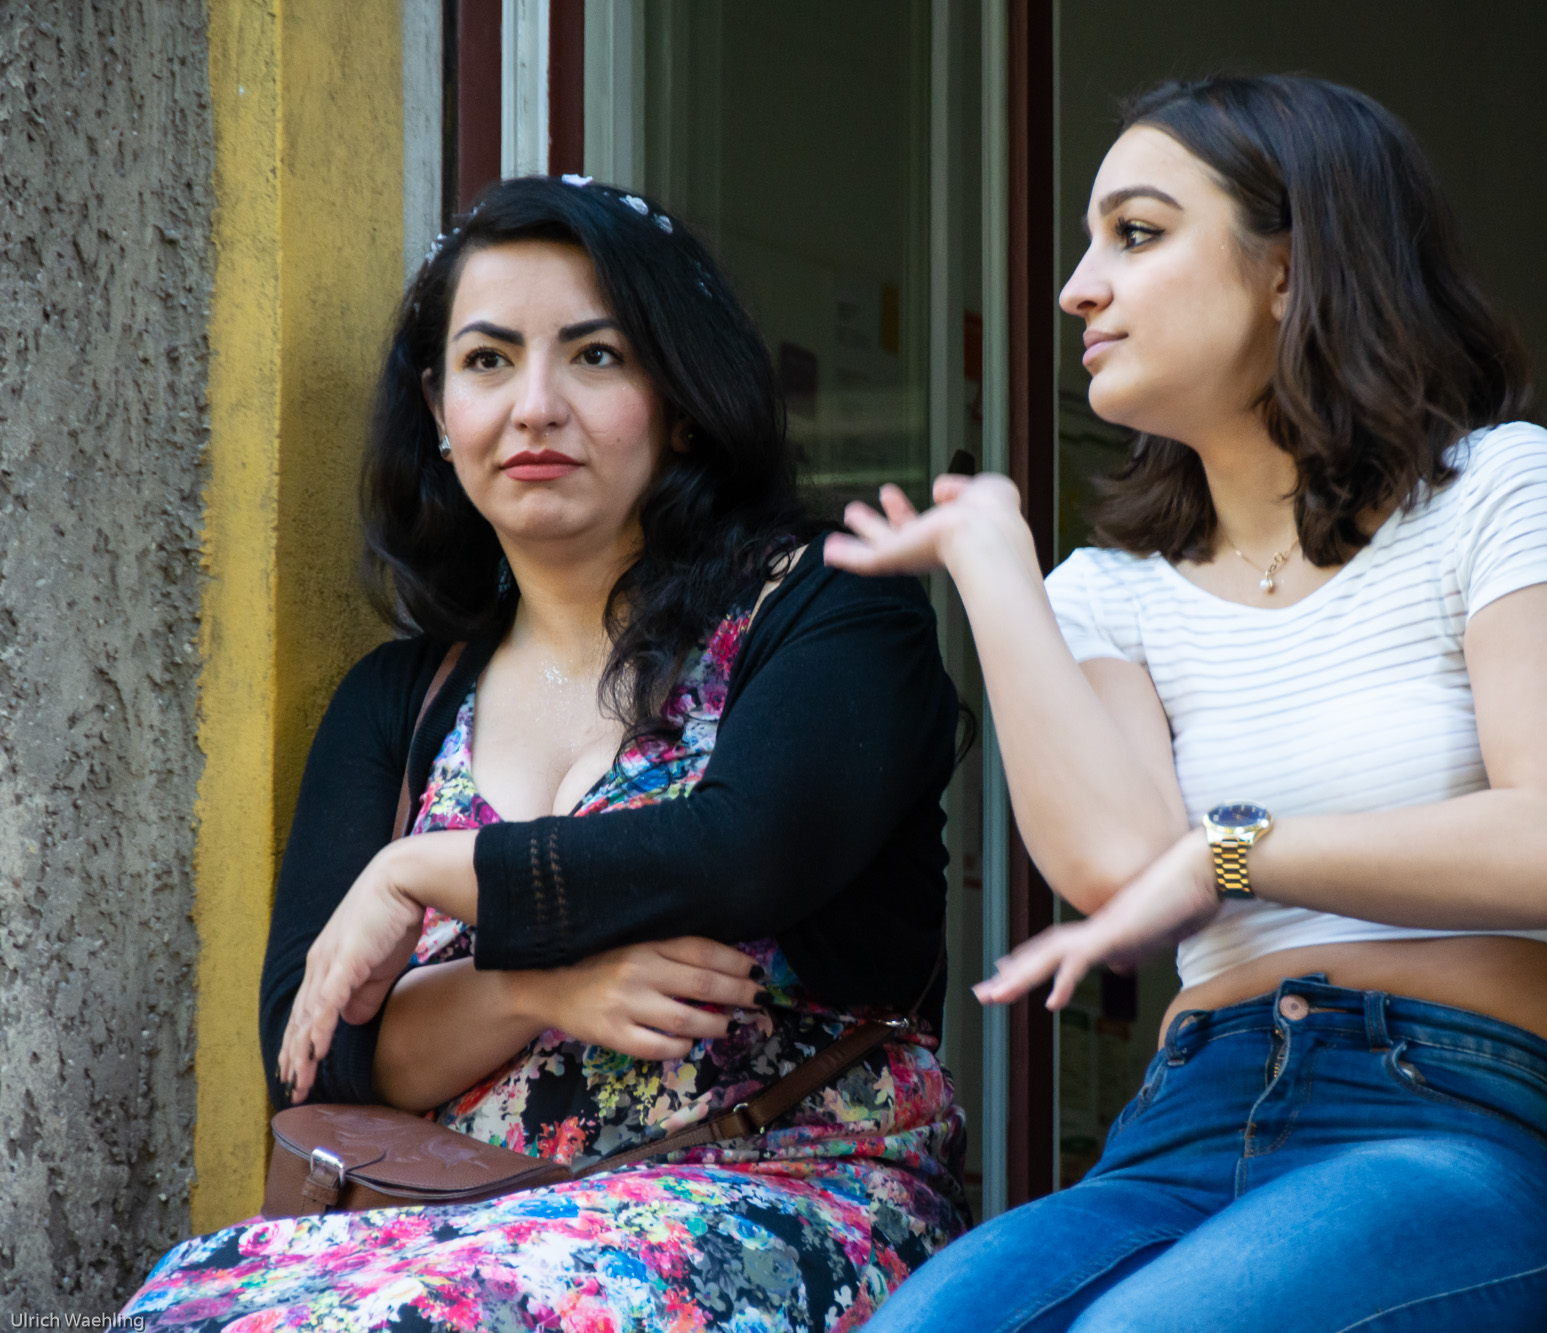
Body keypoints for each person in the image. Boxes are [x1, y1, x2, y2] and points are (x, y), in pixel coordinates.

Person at [830, 75, 1547, 1332]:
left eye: (1135, 234)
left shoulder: (1494, 487)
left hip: (1450, 1108)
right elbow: (1117, 870)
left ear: (1286, 268)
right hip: (1189, 1117)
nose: (1077, 288)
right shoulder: (1107, 591)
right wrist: (991, 566)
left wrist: (1233, 851)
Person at [123, 175, 967, 1331]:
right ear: (438, 409)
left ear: (679, 397)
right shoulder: (402, 701)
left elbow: (744, 853)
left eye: (595, 356)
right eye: (487, 360)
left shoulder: (823, 603)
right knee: (182, 1308)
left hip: (780, 1189)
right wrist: (533, 986)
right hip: (459, 1216)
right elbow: (313, 1052)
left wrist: (420, 871)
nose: (535, 407)